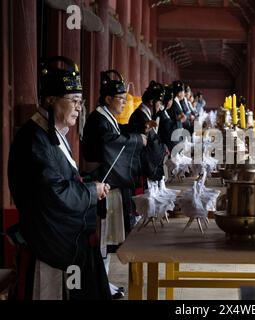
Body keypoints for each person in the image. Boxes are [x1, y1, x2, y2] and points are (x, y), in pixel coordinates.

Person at [7, 56, 111, 300]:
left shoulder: (51, 133)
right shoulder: (34, 140)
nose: (79, 107)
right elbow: (52, 192)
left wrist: (88, 182)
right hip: (49, 239)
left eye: (80, 101)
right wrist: (90, 192)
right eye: (73, 100)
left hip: (65, 234)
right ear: (50, 100)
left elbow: (63, 179)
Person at [81, 70, 146, 298]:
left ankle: (105, 280)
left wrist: (137, 131)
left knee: (107, 241)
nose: (123, 104)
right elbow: (111, 143)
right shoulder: (98, 119)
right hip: (100, 185)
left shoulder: (105, 117)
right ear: (108, 99)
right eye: (120, 100)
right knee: (103, 239)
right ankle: (101, 283)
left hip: (107, 184)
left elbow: (117, 134)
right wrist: (137, 140)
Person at [129, 81, 166, 183]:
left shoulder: (145, 115)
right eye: (160, 102)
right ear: (151, 101)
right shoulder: (140, 116)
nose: (161, 106)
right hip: (143, 170)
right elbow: (150, 145)